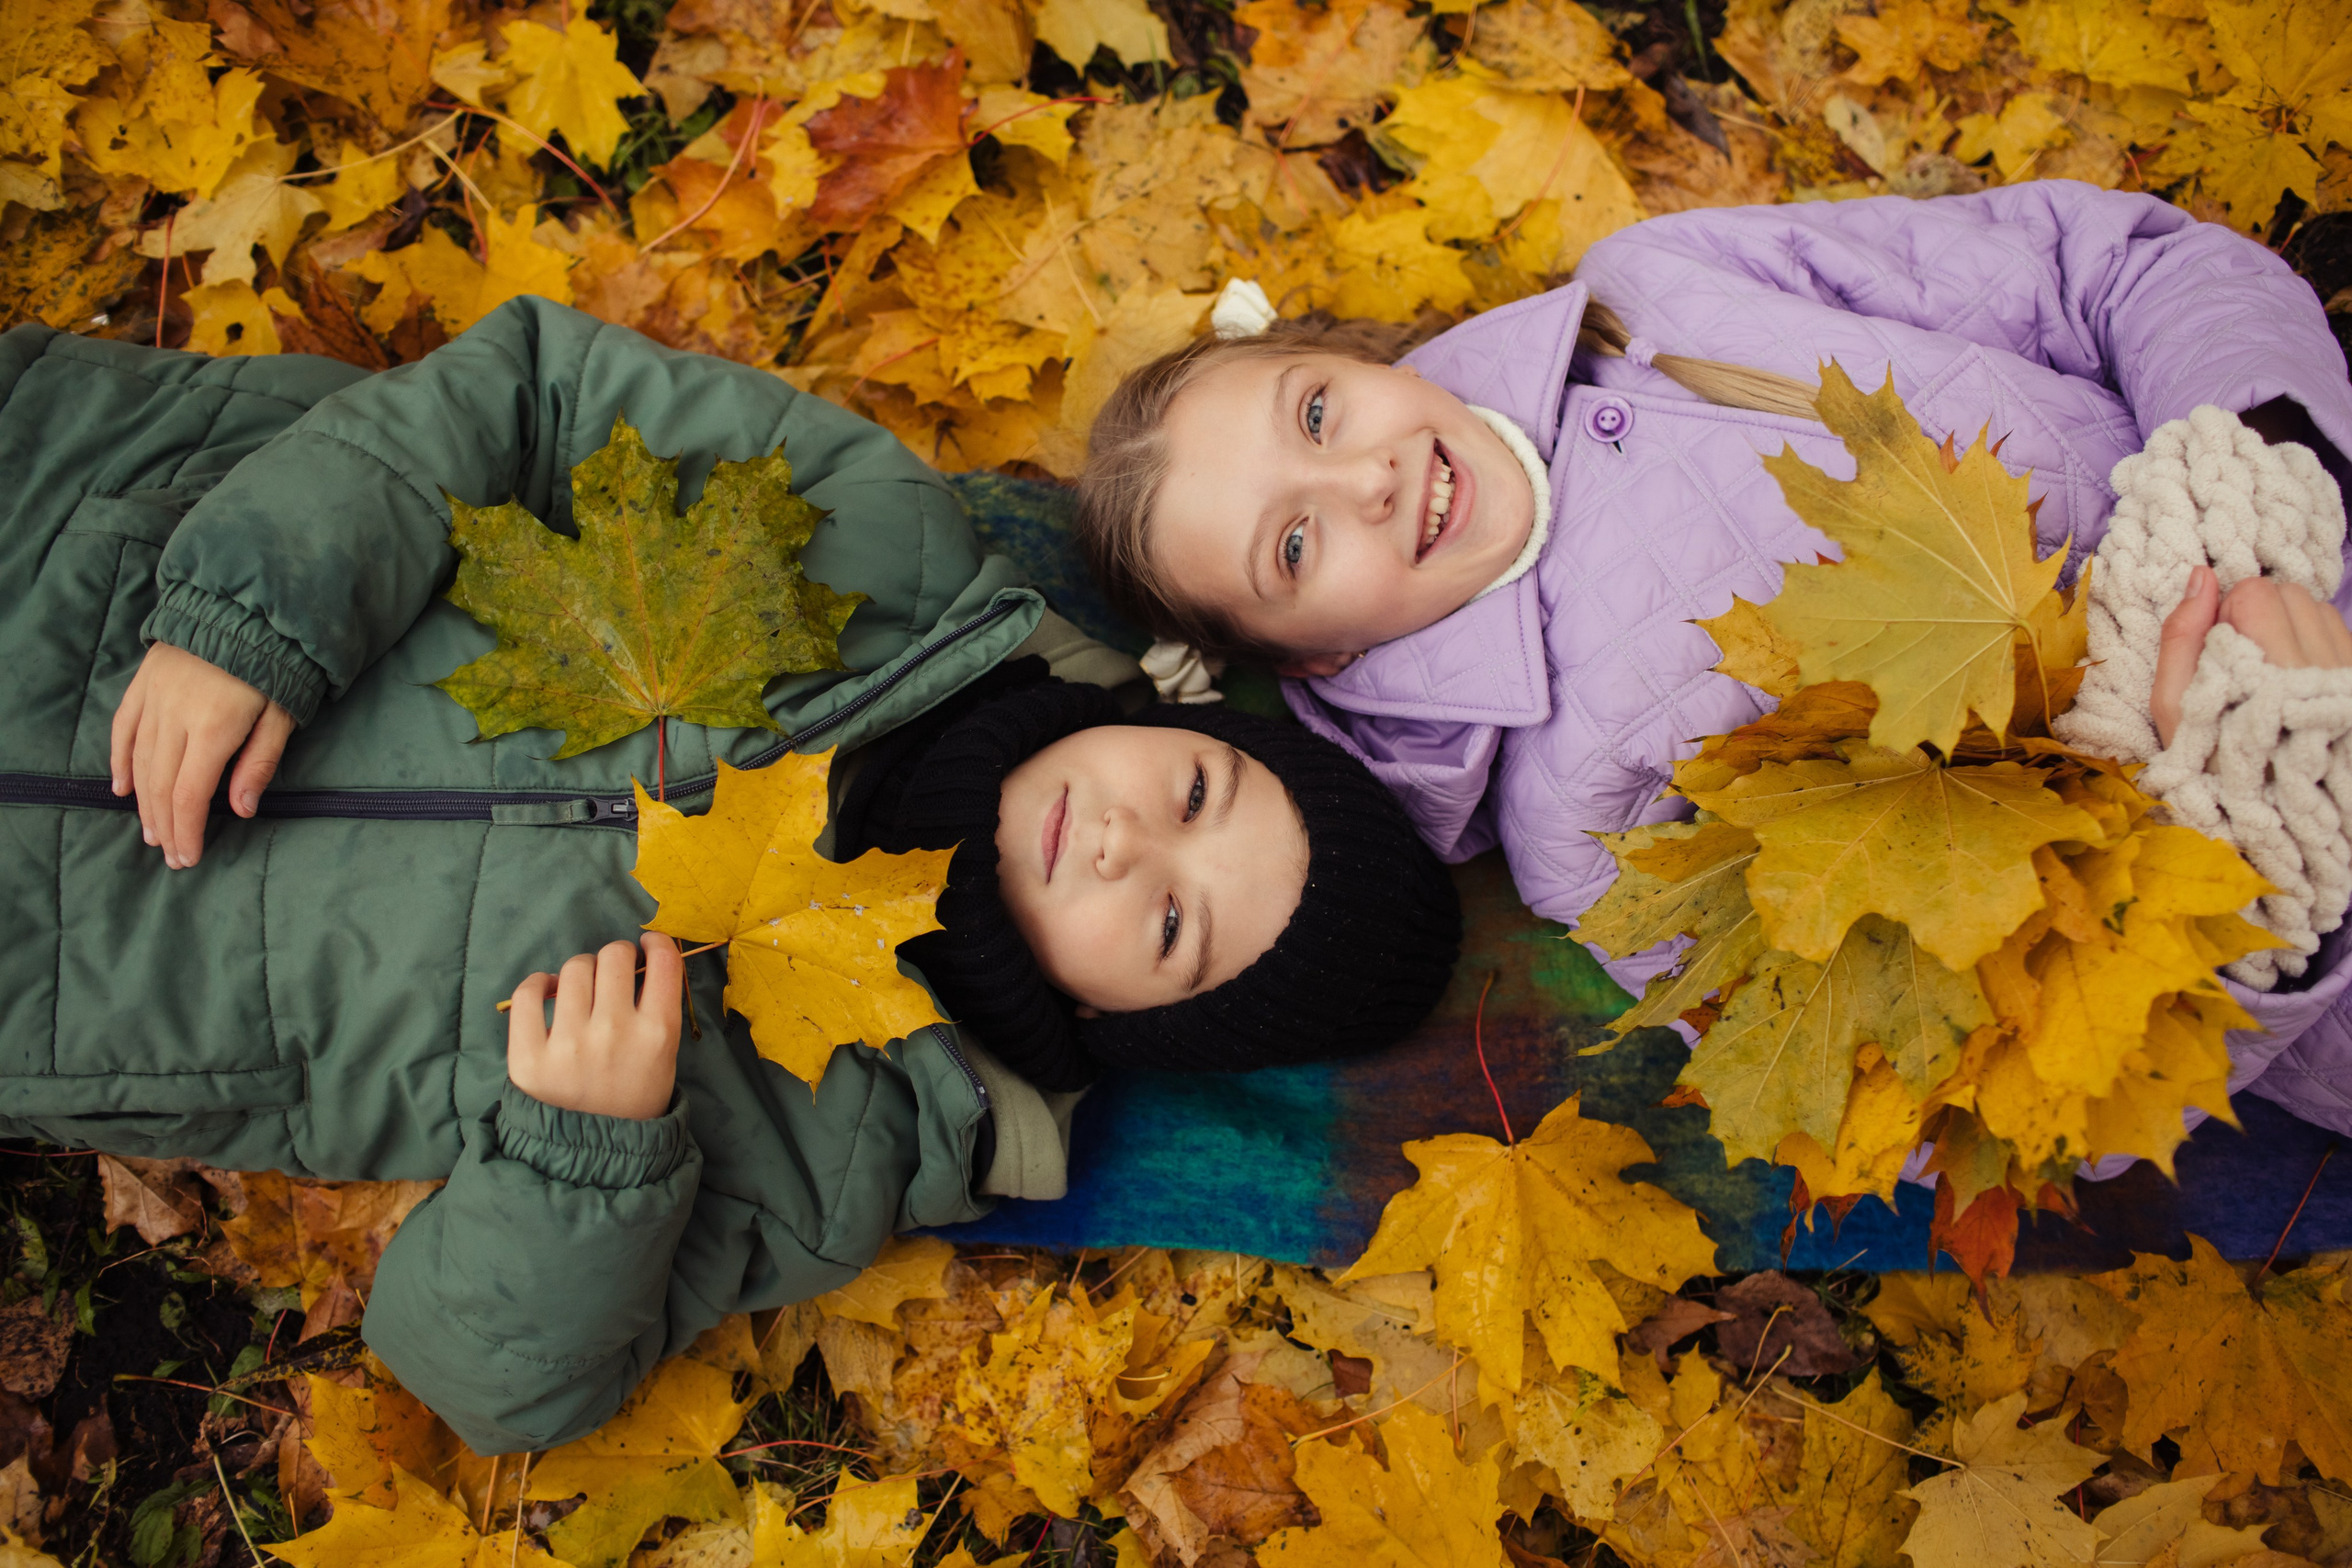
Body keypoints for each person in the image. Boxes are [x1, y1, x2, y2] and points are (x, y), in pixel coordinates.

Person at [0, 297, 1461, 1453]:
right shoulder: (879, 550)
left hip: (63, 957)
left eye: (1166, 923)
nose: (1135, 840)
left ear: (1124, 1021)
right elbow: (529, 383)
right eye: (1199, 793)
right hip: (70, 537)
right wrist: (258, 608)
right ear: (1175, 722)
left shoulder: (837, 1139)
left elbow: (484, 1380)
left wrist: (586, 1162)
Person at [1073, 180, 2352, 1135]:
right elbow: (1907, 1080)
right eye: (1292, 547)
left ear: (1344, 359)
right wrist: (2265, 835)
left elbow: (2116, 270)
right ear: (1315, 658)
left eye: (1316, 412)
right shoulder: (1586, 821)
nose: (1367, 477)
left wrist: (2269, 464)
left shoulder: (1657, 294)